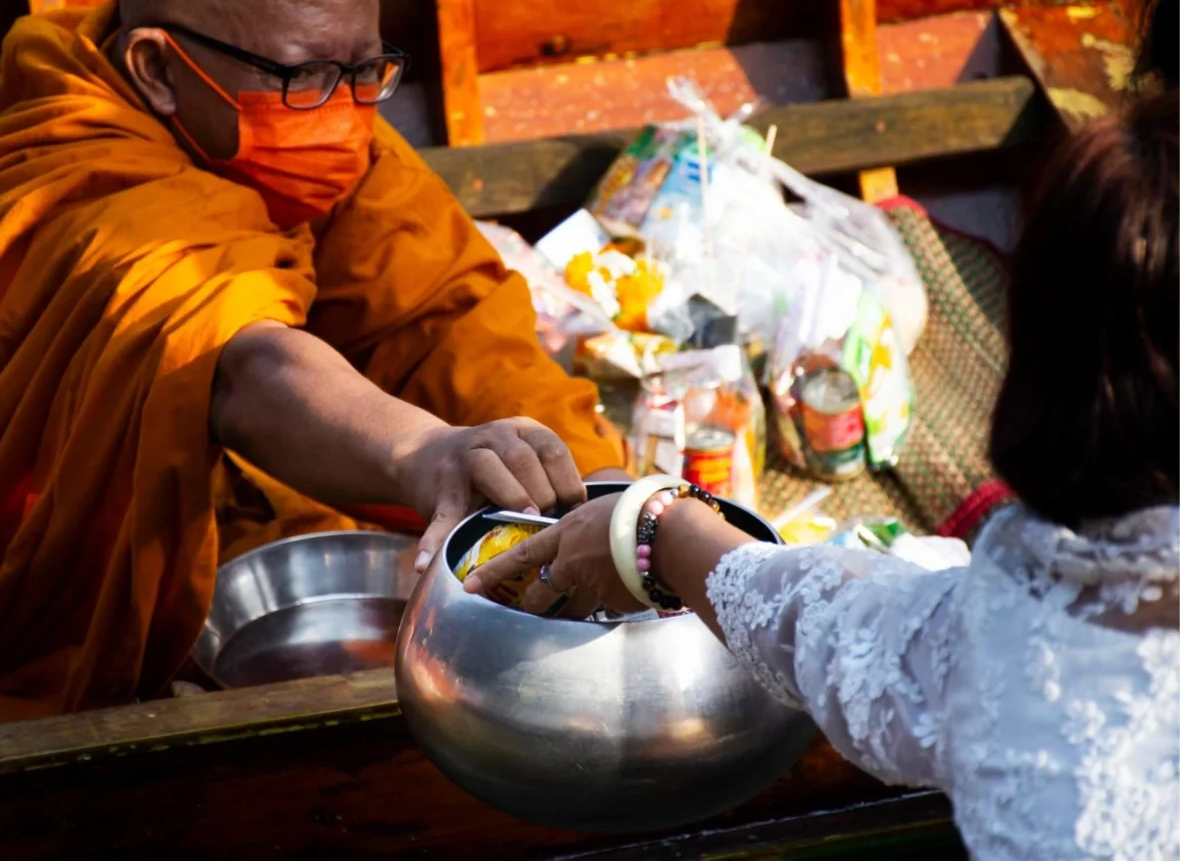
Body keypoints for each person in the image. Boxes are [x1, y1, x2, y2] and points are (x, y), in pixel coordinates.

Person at [467, 89, 1180, 859]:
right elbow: (839, 624)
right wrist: (655, 526)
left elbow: (844, 633)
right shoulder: (1025, 593)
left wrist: (653, 526)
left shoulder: (1017, 611)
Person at [0, 0, 628, 724]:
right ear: (157, 67)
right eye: (310, 74)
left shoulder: (330, 128)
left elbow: (449, 325)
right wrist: (421, 453)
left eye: (368, 69)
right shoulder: (74, 177)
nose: (348, 116)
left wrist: (607, 501)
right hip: (67, 582)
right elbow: (231, 360)